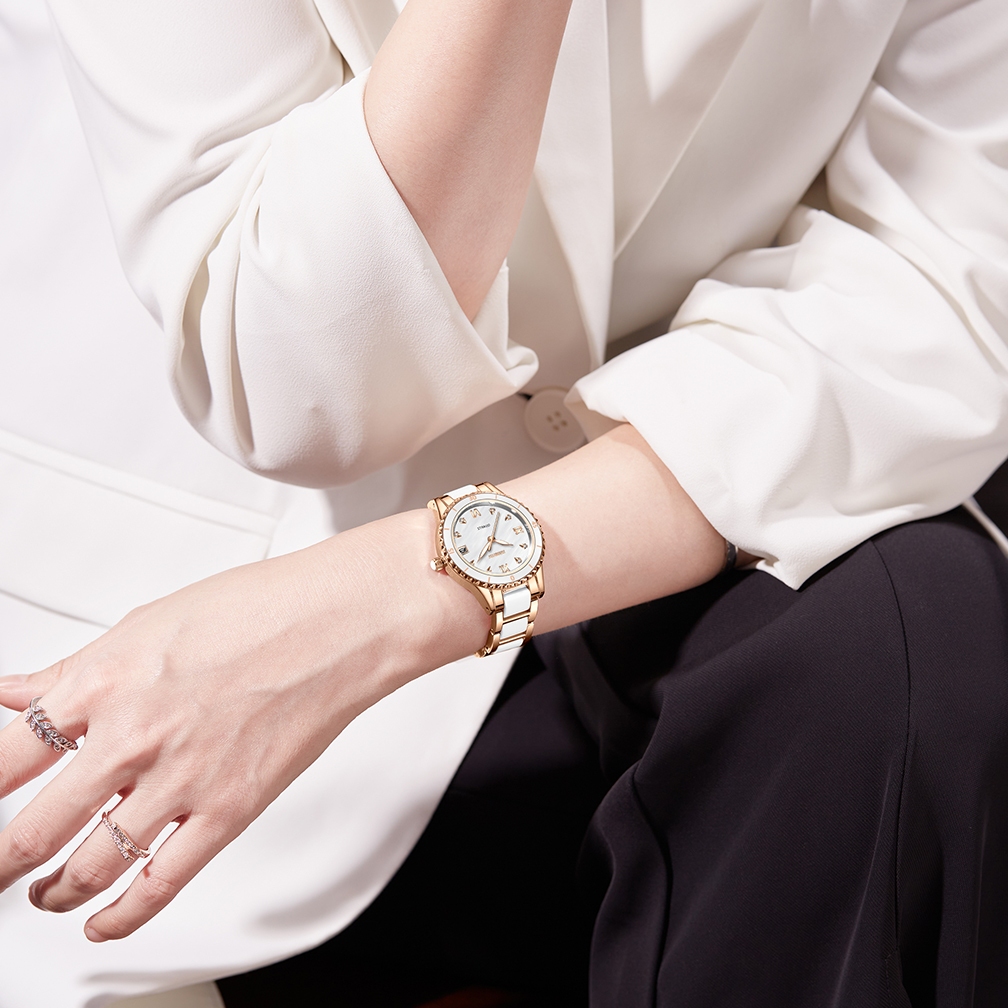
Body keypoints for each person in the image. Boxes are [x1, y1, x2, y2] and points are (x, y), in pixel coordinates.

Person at [3, 0, 1008, 1004]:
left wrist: (412, 590)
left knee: (908, 628)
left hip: (647, 520)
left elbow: (934, 290)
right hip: (196, 631)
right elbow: (312, 390)